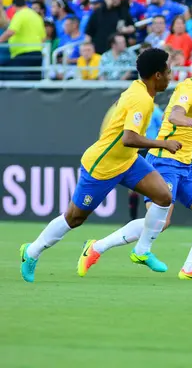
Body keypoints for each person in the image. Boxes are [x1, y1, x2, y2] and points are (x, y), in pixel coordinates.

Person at [20, 49, 181, 283]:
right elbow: (129, 138)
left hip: (128, 161)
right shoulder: (141, 99)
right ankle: (31, 252)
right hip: (102, 166)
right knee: (74, 218)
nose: (171, 76)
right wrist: (163, 144)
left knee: (164, 197)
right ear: (157, 75)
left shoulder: (139, 88)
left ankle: (141, 250)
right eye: (168, 72)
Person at [78, 48, 192, 281]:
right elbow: (175, 115)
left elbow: (175, 124)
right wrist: (187, 121)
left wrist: (191, 142)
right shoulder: (189, 89)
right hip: (165, 162)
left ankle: (190, 268)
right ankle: (97, 247)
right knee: (161, 221)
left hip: (184, 163)